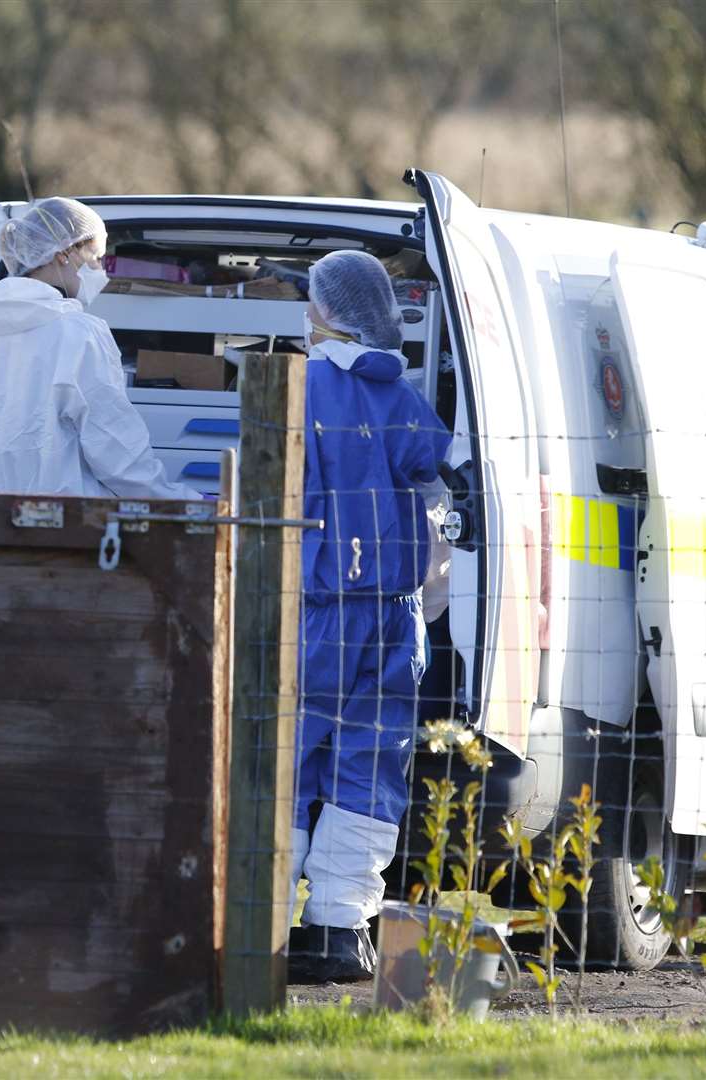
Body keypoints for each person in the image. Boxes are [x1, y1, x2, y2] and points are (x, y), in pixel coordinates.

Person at [289, 249, 453, 982]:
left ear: (327, 311)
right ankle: (339, 929)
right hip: (391, 614)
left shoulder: (299, 385)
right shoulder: (403, 396)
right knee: (370, 765)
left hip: (311, 608)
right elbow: (439, 478)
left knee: (287, 757)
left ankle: (259, 917)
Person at [0, 197, 201, 501]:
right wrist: (183, 502)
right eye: (95, 257)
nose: (99, 271)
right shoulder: (79, 334)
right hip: (66, 528)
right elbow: (117, 454)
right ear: (64, 253)